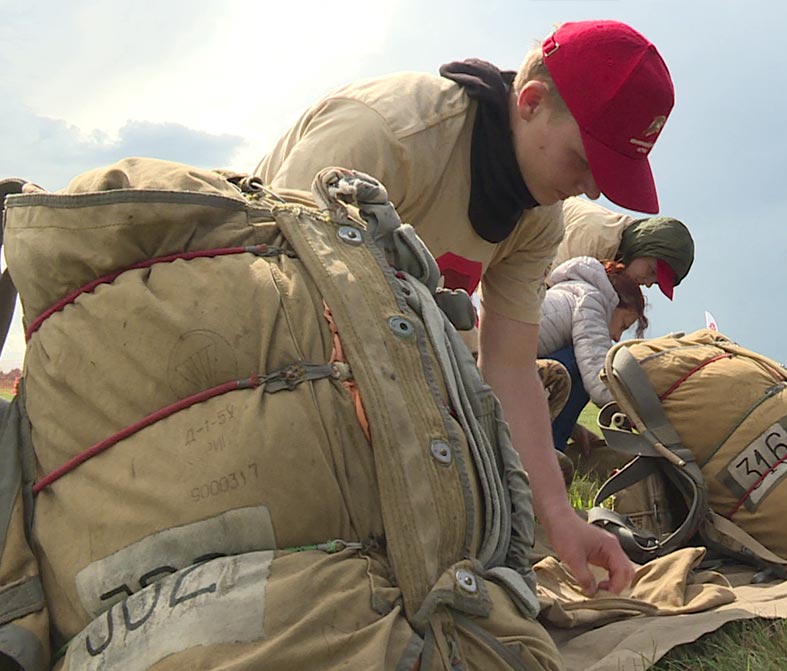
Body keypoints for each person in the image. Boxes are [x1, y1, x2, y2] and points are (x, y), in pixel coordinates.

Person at [256, 19, 675, 594]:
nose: (593, 190)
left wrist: (558, 515)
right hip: (271, 363)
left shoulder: (538, 216)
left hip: (379, 369)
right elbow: (273, 297)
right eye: (585, 160)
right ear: (530, 103)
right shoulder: (388, 136)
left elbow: (508, 365)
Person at [538, 257, 646, 461]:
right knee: (585, 368)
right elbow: (599, 380)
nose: (616, 337)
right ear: (616, 304)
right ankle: (551, 456)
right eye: (623, 325)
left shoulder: (574, 290)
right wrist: (636, 415)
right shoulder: (592, 300)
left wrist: (574, 429)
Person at [553, 197, 694, 299]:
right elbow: (549, 294)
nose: (648, 283)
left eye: (655, 282)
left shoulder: (612, 253)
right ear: (643, 246)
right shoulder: (594, 236)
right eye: (651, 271)